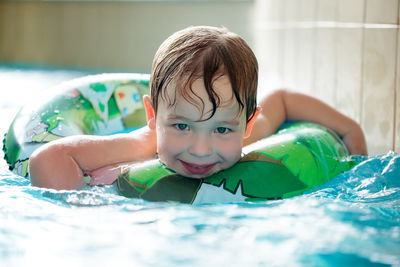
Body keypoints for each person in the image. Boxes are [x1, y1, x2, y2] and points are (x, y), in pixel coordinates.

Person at [29, 26, 367, 190]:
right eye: (181, 126)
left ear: (247, 125)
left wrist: (350, 131)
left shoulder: (249, 137)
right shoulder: (141, 145)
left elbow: (281, 99)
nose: (201, 149)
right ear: (152, 117)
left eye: (221, 129)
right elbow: (47, 158)